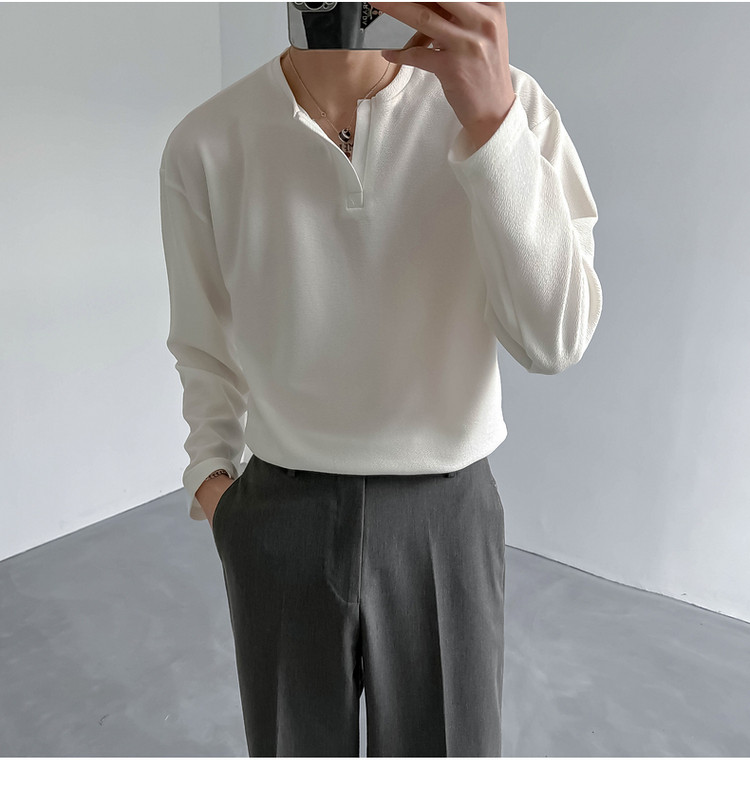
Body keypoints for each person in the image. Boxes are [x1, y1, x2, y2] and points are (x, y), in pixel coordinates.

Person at [158, 2, 602, 757]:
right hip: (279, 512)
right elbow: (202, 344)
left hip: (445, 517)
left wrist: (491, 123)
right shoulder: (207, 141)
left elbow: (554, 338)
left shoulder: (512, 105)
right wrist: (214, 483)